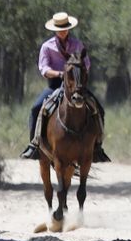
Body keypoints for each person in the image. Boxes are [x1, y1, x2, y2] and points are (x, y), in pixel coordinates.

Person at [21, 11, 110, 162]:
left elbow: (86, 63)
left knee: (98, 108)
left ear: (69, 28)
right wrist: (59, 73)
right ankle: (34, 144)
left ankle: (97, 146)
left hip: (76, 85)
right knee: (36, 108)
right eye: (60, 28)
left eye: (65, 28)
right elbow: (44, 68)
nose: (63, 31)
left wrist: (78, 73)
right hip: (55, 85)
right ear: (55, 30)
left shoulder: (77, 45)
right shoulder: (47, 47)